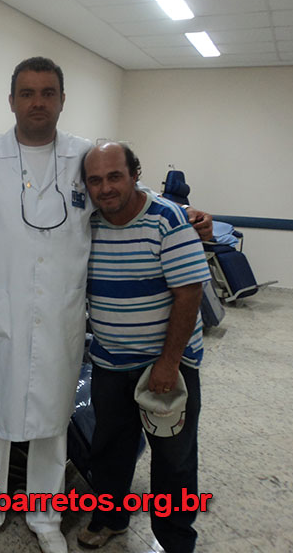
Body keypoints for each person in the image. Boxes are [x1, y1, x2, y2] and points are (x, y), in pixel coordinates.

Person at [0, 57, 212, 553]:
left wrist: (185, 213)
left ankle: (45, 515)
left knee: (54, 420)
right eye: (27, 93)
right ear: (11, 101)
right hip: (0, 314)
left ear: (61, 100)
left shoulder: (81, 156)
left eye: (48, 92)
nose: (37, 102)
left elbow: (123, 191)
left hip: (61, 317)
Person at [78, 143, 208, 552]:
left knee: (174, 458)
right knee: (109, 448)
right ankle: (110, 518)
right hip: (110, 361)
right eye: (95, 180)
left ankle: (175, 539)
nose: (105, 188)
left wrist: (169, 363)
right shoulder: (88, 223)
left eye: (114, 176)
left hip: (164, 363)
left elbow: (189, 293)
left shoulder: (167, 219)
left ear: (135, 174)